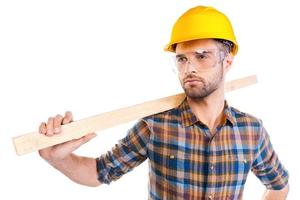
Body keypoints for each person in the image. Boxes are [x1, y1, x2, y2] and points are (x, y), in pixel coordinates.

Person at [38, 5, 289, 200]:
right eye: (181, 59)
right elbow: (99, 172)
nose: (189, 68)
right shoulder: (155, 125)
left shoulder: (251, 131)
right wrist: (57, 158)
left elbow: (279, 186)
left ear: (228, 61)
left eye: (202, 56)